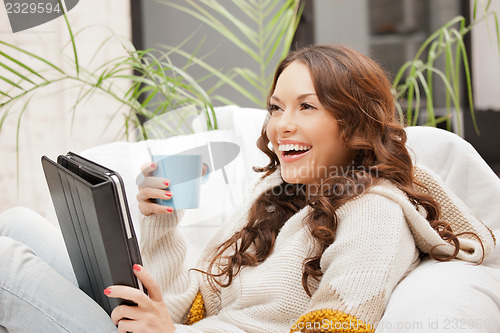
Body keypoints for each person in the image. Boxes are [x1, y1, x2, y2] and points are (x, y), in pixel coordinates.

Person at [0, 44, 495, 332]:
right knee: (16, 223)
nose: (281, 125)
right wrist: (160, 222)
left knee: (5, 265)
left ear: (354, 125)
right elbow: (193, 303)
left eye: (306, 107)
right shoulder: (282, 195)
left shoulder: (374, 213)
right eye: (277, 107)